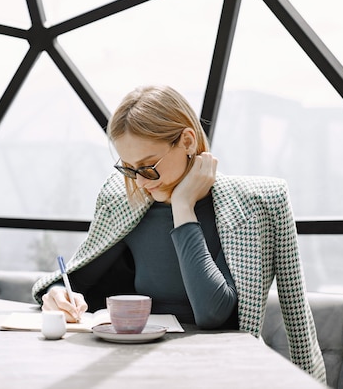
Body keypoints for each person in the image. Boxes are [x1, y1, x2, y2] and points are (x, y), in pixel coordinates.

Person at [32, 85, 326, 383]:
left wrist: (183, 206)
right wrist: (58, 293)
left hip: (221, 372)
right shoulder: (122, 199)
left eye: (148, 167)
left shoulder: (256, 203)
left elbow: (215, 314)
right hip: (129, 368)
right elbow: (77, 274)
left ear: (187, 140)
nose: (142, 182)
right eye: (130, 169)